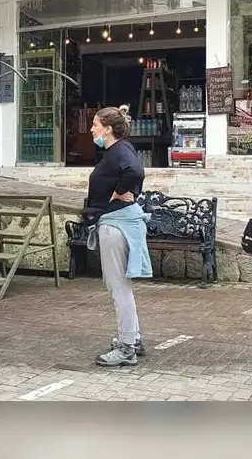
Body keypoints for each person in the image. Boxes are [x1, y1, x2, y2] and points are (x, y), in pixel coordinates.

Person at [86, 104, 153, 368]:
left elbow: (135, 172)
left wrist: (119, 191)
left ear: (109, 128)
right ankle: (133, 339)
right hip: (119, 221)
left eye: (95, 124)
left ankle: (127, 348)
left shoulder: (119, 151)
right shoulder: (118, 150)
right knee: (121, 288)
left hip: (117, 224)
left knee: (119, 289)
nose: (92, 129)